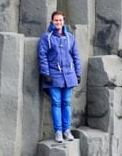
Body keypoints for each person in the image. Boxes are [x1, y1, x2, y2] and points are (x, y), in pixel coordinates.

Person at [37, 10, 82, 143]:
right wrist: (45, 73)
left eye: (60, 20)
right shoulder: (47, 37)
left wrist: (78, 73)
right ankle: (58, 132)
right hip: (53, 75)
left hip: (69, 75)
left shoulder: (70, 37)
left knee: (66, 102)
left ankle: (67, 131)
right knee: (56, 103)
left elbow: (76, 56)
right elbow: (42, 56)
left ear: (64, 21)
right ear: (52, 22)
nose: (58, 22)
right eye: (56, 20)